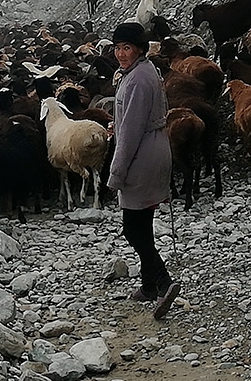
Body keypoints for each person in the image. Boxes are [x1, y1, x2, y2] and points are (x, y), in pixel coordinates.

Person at [106, 21, 180, 320]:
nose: (121, 54)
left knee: (132, 229)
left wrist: (116, 173)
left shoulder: (136, 79)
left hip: (142, 157)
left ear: (139, 49)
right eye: (117, 48)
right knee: (143, 223)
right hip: (155, 148)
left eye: (127, 48)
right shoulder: (144, 71)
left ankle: (163, 281)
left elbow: (132, 132)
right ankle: (149, 285)